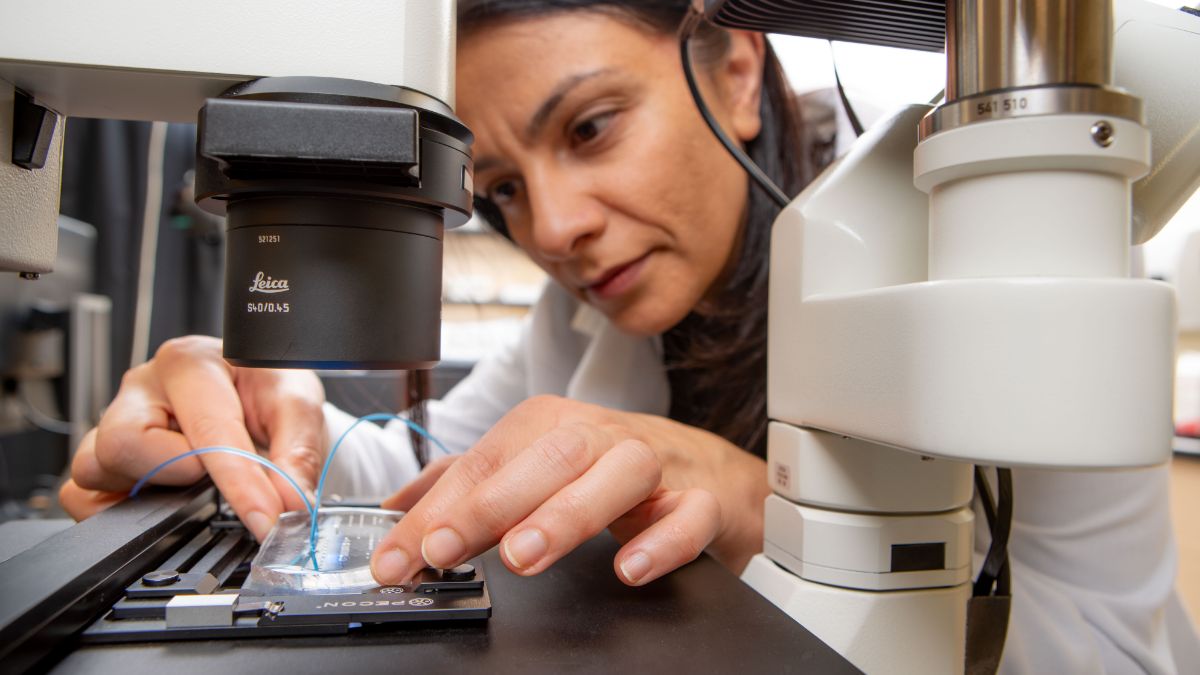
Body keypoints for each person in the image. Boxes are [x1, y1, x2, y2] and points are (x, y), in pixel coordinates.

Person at [59, 1, 1197, 671]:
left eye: (593, 128)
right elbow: (420, 479)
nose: (550, 228)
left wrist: (766, 508)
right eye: (500, 188)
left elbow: (1112, 655)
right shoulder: (578, 317)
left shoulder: (1025, 265)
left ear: (736, 72)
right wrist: (247, 409)